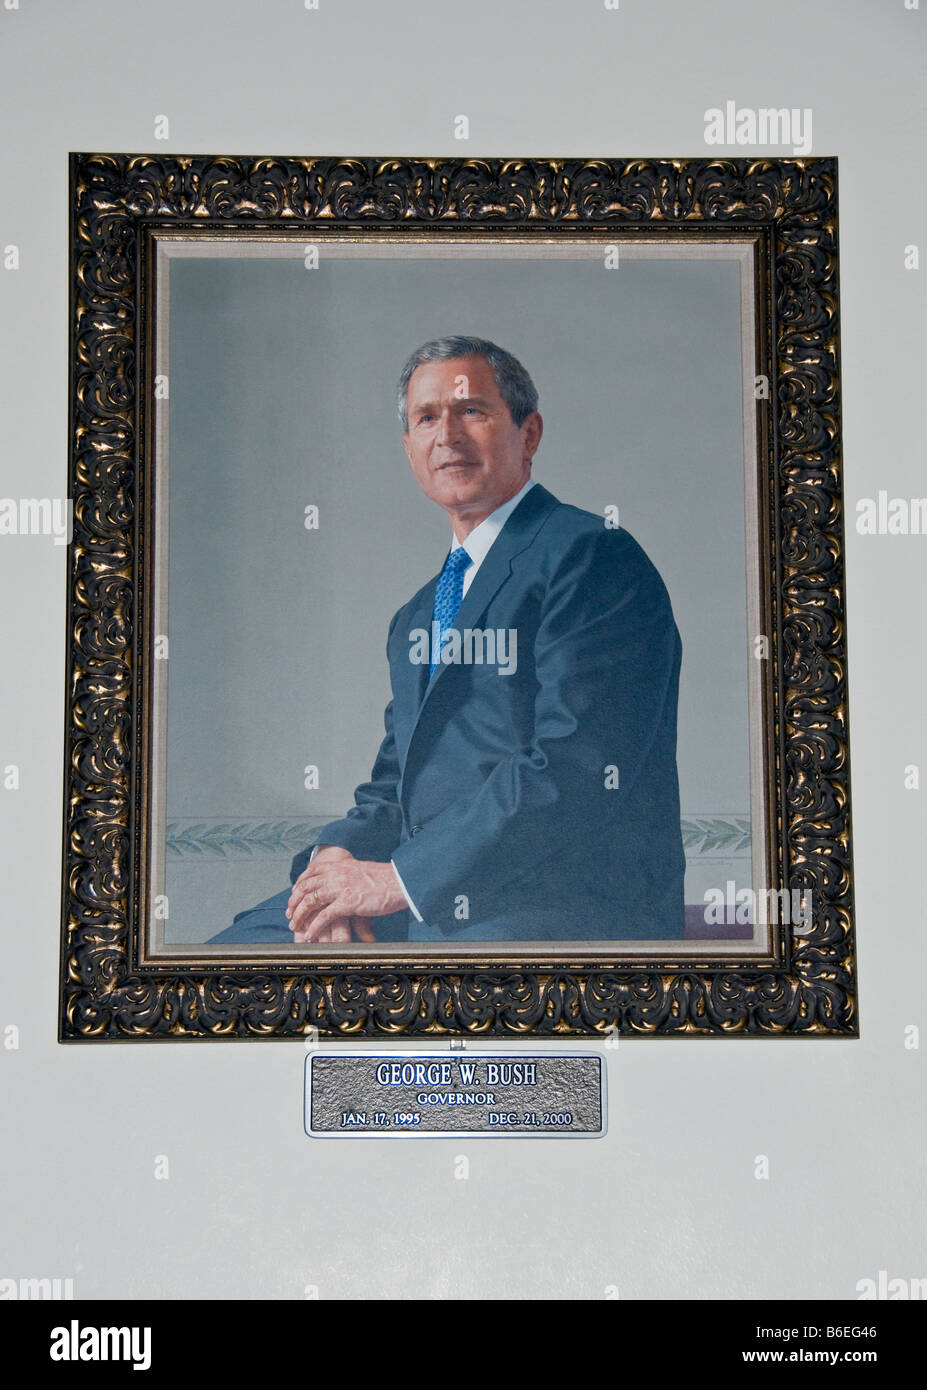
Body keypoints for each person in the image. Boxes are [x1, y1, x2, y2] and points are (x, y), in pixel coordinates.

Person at [210, 335, 685, 946]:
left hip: (557, 903)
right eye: (427, 418)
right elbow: (397, 779)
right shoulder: (417, 613)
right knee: (236, 954)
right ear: (409, 447)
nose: (448, 436)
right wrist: (337, 859)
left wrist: (399, 880)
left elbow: (577, 764)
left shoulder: (591, 555)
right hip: (430, 895)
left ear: (529, 434)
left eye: (472, 411)